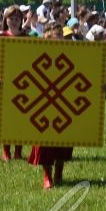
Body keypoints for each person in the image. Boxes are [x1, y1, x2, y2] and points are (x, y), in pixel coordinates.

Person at [25, 24, 76, 189]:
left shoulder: (73, 56)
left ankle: (59, 172)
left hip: (64, 102)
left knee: (63, 140)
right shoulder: (35, 56)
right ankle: (47, 176)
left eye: (59, 40)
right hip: (42, 104)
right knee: (43, 142)